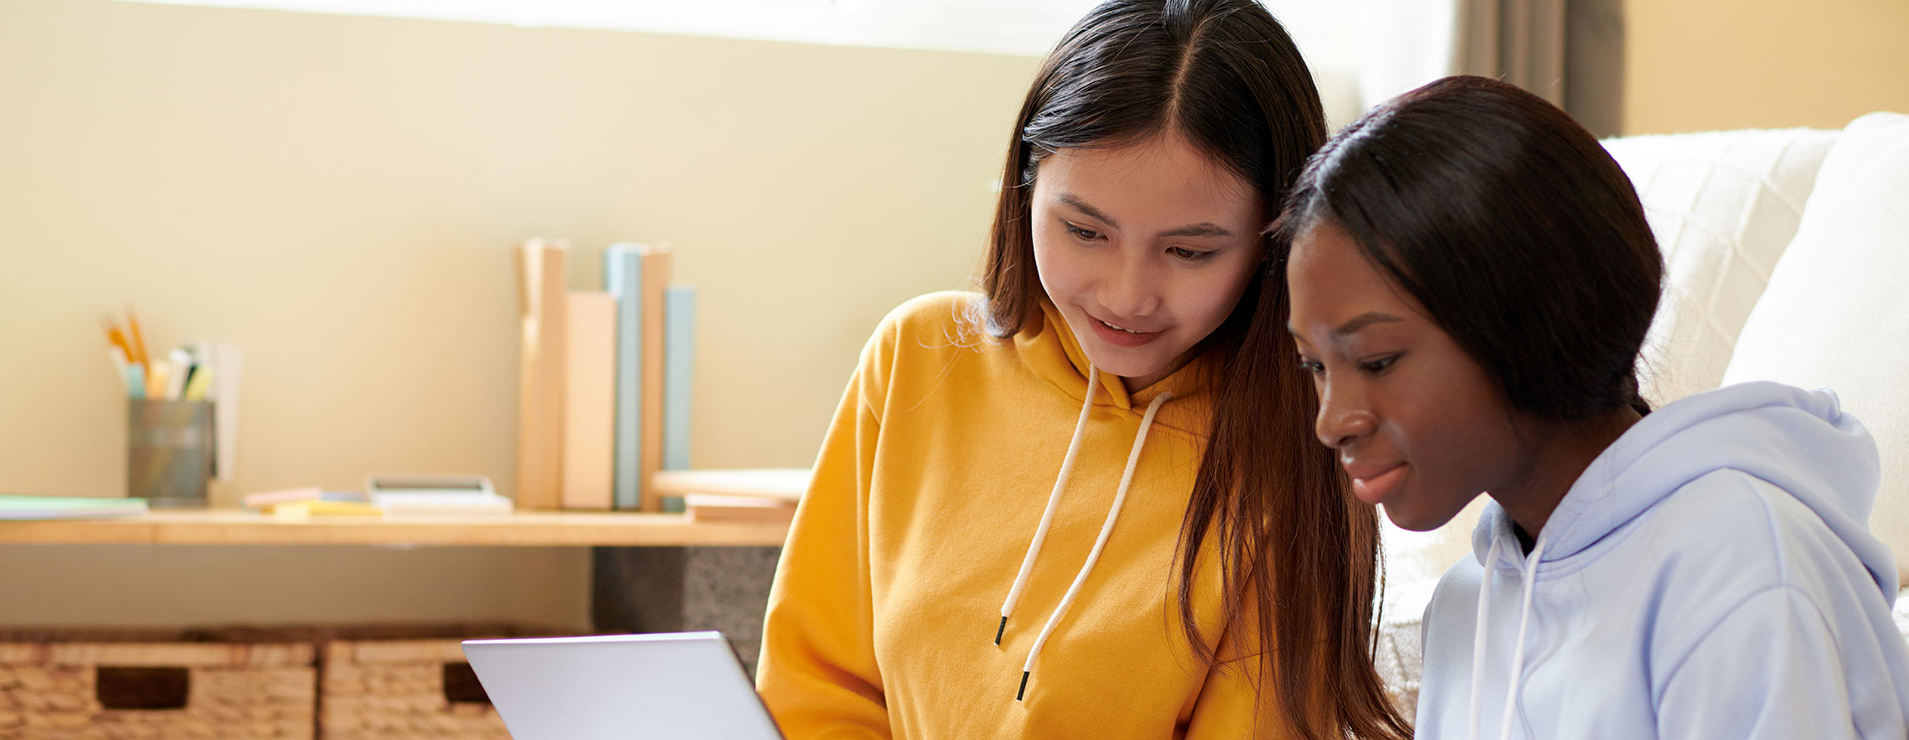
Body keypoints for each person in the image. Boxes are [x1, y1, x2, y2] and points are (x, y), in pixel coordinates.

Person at [754, 1, 1410, 738]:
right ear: (1027, 187)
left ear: (1273, 243)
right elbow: (812, 693)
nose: (1127, 295)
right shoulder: (917, 356)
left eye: (1190, 251)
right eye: (1084, 231)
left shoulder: (1298, 454)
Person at [1279, 74, 1909, 739]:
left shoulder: (1740, 570)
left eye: (1377, 361)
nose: (1333, 419)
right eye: (1315, 366)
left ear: (1533, 322)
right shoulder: (1468, 604)